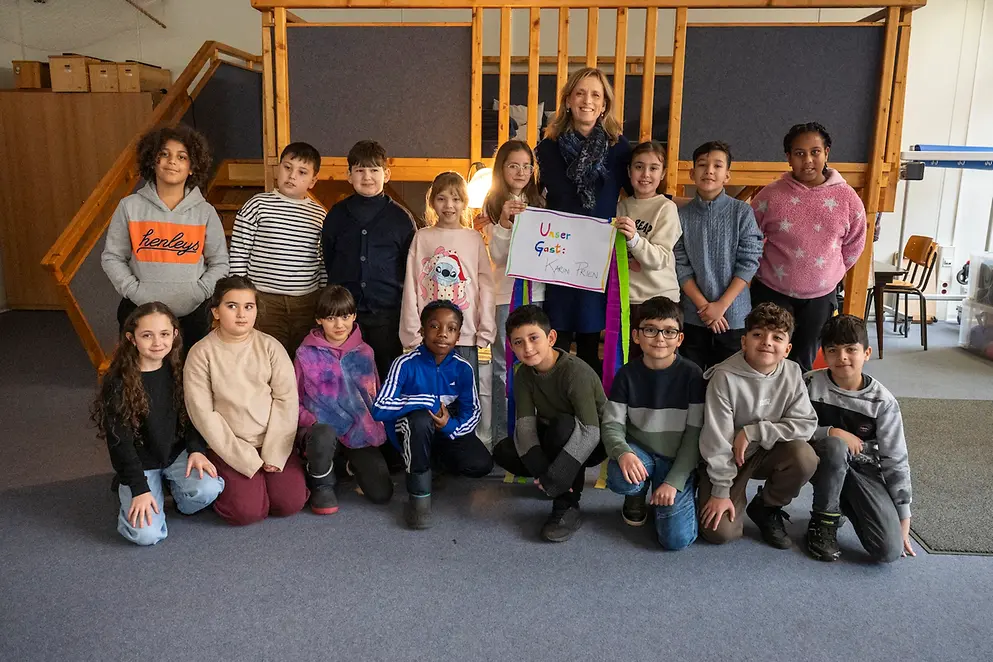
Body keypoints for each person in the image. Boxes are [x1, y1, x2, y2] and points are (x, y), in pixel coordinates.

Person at [93, 302, 224, 545]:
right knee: (146, 535)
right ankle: (137, 490)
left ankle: (170, 489)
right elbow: (120, 443)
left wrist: (196, 449)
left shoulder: (181, 369)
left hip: (175, 454)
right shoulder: (118, 382)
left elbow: (193, 415)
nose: (157, 342)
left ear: (174, 334)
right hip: (140, 462)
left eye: (164, 334)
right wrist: (139, 488)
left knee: (209, 488)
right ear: (131, 339)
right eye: (147, 335)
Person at [184, 276, 308, 525]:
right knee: (246, 512)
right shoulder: (201, 353)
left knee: (289, 503)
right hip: (229, 446)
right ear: (216, 312)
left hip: (272, 440)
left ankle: (269, 477)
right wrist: (244, 458)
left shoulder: (271, 347)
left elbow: (286, 401)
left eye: (248, 307)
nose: (241, 314)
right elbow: (203, 414)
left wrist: (274, 453)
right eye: (232, 306)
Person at [697, 302, 819, 548]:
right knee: (719, 533)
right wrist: (720, 491)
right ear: (744, 342)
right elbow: (716, 439)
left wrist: (755, 432)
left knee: (805, 457)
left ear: (787, 349)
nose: (767, 342)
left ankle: (766, 506)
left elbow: (806, 424)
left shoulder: (792, 372)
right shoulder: (724, 377)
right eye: (758, 335)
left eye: (777, 337)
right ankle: (702, 485)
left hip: (768, 451)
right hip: (729, 457)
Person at [536, 67, 632, 375]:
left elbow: (640, 194)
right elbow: (534, 195)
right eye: (580, 93)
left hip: (598, 256)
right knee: (558, 338)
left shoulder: (619, 149)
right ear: (567, 101)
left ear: (604, 104)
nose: (587, 101)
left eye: (595, 95)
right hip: (558, 255)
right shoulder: (548, 148)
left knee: (592, 341)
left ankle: (590, 402)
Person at [750, 122, 867, 372]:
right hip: (772, 290)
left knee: (803, 360)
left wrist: (829, 273)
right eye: (799, 153)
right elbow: (749, 237)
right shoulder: (770, 195)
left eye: (815, 152)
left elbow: (855, 243)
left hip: (820, 297)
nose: (808, 160)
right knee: (767, 357)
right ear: (788, 157)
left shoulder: (847, 198)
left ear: (827, 153)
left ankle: (798, 398)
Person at [101, 125, 229, 350]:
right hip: (139, 311)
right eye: (164, 154)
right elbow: (112, 257)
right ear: (152, 161)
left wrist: (199, 292)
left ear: (192, 168)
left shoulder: (205, 212)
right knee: (139, 370)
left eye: (182, 157)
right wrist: (134, 290)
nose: (172, 161)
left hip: (192, 315)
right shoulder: (129, 207)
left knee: (189, 369)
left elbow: (220, 262)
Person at [372, 300, 493, 530]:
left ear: (458, 336)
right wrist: (426, 402)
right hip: (411, 431)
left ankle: (432, 466)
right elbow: (379, 408)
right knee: (420, 419)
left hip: (444, 431)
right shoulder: (404, 364)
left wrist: (449, 425)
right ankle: (419, 497)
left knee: (481, 464)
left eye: (451, 329)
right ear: (422, 330)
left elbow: (473, 412)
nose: (442, 334)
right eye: (434, 326)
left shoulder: (463, 368)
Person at [491, 305, 607, 543]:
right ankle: (553, 484)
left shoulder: (575, 372)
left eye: (534, 338)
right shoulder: (523, 374)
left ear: (551, 338)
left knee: (562, 427)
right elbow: (525, 426)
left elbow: (590, 431)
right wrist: (546, 473)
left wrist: (558, 475)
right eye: (518, 342)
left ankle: (567, 504)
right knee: (504, 451)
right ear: (511, 346)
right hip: (556, 433)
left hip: (593, 440)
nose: (527, 348)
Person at [804, 315, 914, 562]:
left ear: (867, 353)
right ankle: (824, 522)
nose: (842, 357)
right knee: (835, 446)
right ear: (824, 354)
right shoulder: (809, 382)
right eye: (833, 350)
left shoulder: (883, 402)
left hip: (862, 470)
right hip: (818, 460)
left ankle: (842, 502)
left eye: (851, 349)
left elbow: (895, 458)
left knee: (888, 550)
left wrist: (903, 515)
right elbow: (791, 424)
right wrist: (831, 432)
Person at [602, 296, 704, 550]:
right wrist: (623, 453)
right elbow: (612, 424)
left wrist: (673, 482)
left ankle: (674, 489)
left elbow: (694, 436)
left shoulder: (693, 375)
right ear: (636, 336)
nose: (660, 338)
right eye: (650, 330)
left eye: (669, 331)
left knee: (675, 540)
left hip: (676, 459)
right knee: (620, 477)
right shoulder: (626, 375)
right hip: (641, 454)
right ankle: (636, 493)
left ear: (680, 338)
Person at [321, 140, 418, 381]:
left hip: (387, 315)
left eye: (374, 170)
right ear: (349, 175)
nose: (367, 177)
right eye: (360, 170)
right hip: (344, 317)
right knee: (347, 378)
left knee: (386, 376)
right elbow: (329, 258)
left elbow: (410, 267)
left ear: (387, 174)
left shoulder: (401, 219)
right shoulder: (336, 215)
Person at [295, 285, 393, 514]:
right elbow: (293, 398)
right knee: (323, 438)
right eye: (331, 318)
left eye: (345, 317)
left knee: (382, 494)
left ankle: (344, 464)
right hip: (321, 430)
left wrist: (376, 426)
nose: (339, 325)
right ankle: (321, 479)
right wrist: (310, 421)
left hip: (358, 431)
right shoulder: (305, 354)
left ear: (354, 316)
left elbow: (374, 394)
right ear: (319, 319)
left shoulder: (365, 352)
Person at [229, 141, 327, 359]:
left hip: (306, 302)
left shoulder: (319, 215)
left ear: (313, 181)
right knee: (267, 357)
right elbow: (239, 252)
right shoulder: (257, 205)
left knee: (303, 358)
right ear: (278, 169)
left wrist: (322, 296)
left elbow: (321, 261)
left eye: (302, 172)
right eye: (287, 167)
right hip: (265, 300)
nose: (292, 176)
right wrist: (240, 294)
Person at [674, 141, 763, 371]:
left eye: (717, 165)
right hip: (694, 315)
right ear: (692, 173)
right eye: (702, 165)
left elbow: (749, 261)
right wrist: (705, 307)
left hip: (733, 316)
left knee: (729, 377)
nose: (709, 171)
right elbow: (680, 264)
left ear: (727, 175)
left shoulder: (742, 212)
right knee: (692, 375)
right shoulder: (681, 216)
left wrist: (721, 305)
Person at [479, 139, 546, 447]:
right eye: (513, 166)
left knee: (536, 362)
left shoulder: (541, 203)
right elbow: (498, 256)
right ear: (501, 169)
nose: (521, 172)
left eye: (526, 166)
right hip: (505, 294)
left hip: (537, 294)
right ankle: (502, 437)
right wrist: (505, 223)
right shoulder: (492, 204)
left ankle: (532, 436)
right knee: (502, 366)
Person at [400, 171, 496, 384]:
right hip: (429, 335)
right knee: (428, 393)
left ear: (465, 203)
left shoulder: (474, 239)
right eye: (442, 198)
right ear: (432, 202)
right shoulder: (422, 237)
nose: (449, 205)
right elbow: (411, 286)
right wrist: (412, 332)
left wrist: (486, 329)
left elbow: (486, 287)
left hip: (466, 334)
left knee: (465, 394)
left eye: (456, 199)